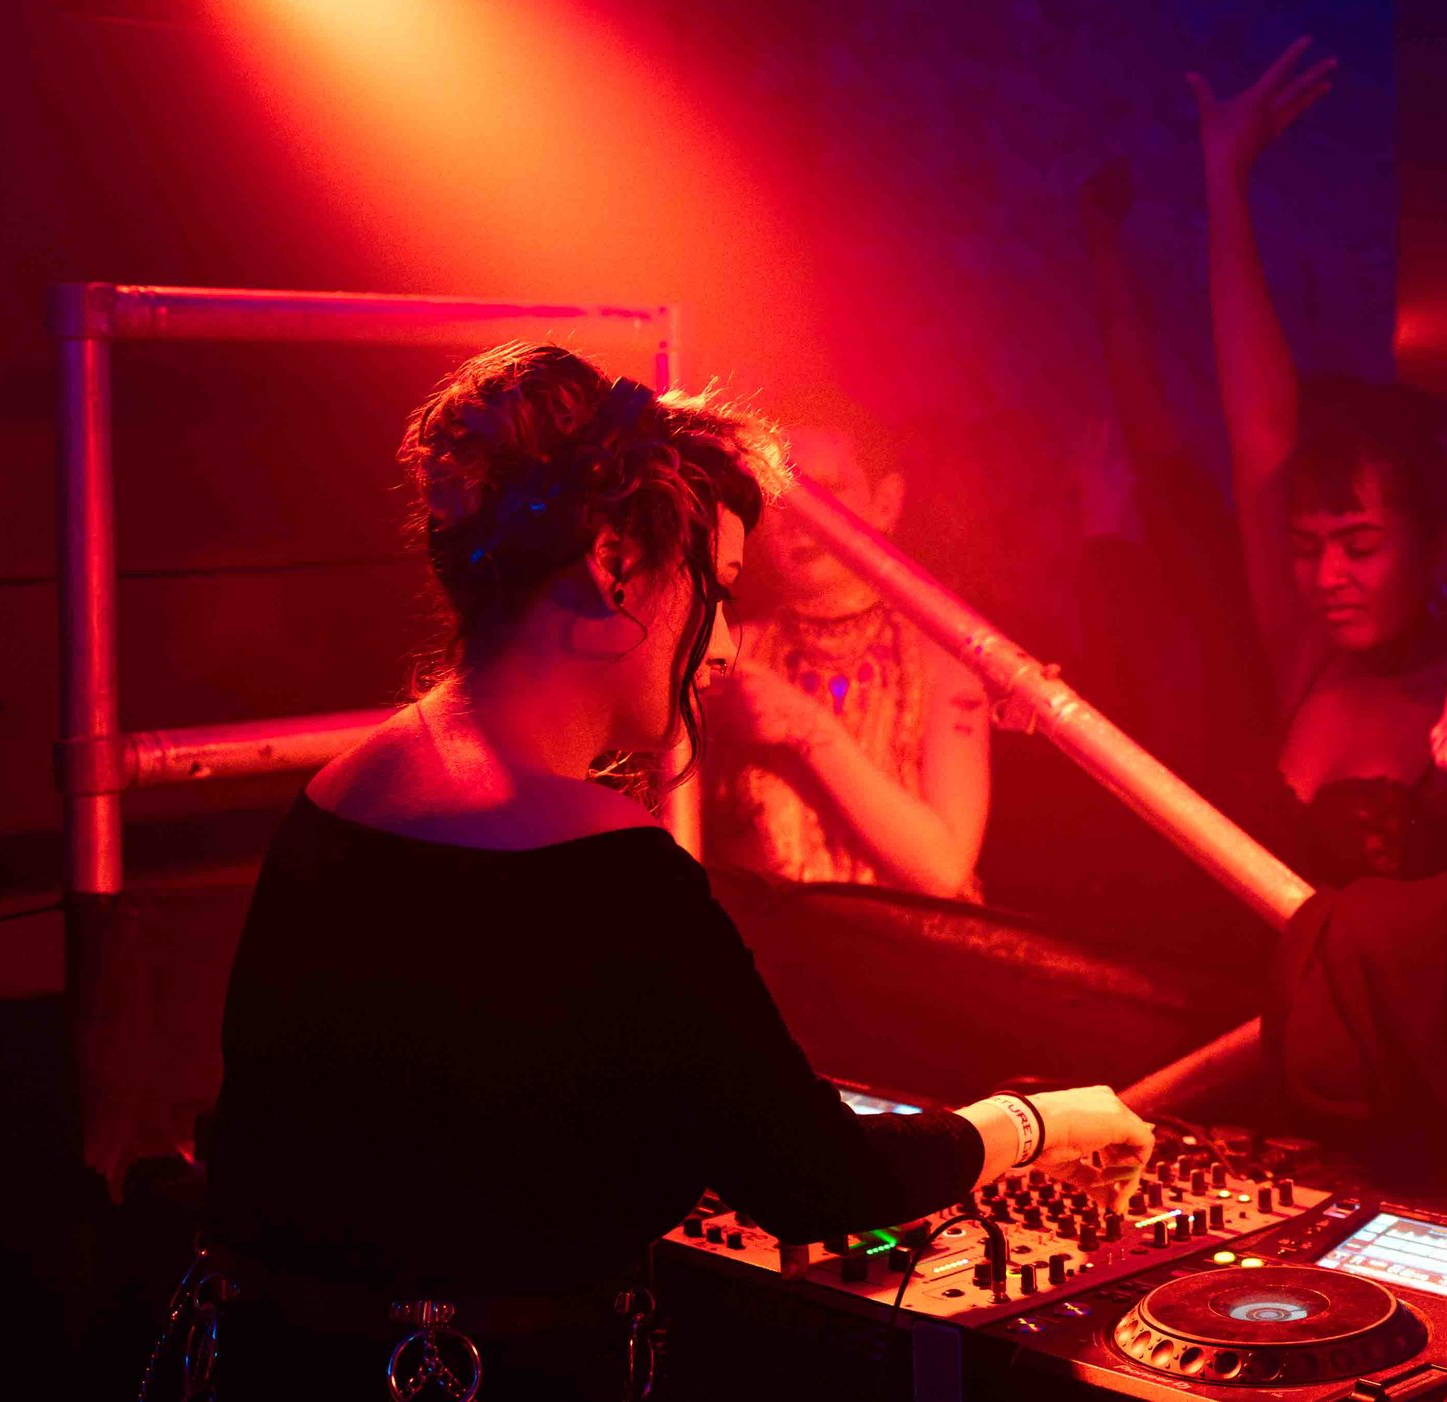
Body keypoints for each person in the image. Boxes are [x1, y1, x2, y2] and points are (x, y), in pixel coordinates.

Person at [201, 345, 1149, 1400]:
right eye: (718, 589)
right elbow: (817, 1178)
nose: (727, 646)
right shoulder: (604, 863)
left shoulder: (343, 789)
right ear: (615, 566)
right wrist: (1032, 1123)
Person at [1188, 38, 1447, 885]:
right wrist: (1224, 181)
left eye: (1361, 545)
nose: (1326, 575)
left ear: (1438, 545)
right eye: (1307, 546)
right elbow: (1258, 428)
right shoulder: (1305, 651)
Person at [702, 400, 991, 900]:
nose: (799, 521)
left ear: (886, 504)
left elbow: (944, 871)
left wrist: (807, 729)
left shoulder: (945, 664)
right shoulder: (727, 655)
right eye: (781, 498)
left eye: (826, 493)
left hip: (902, 949)